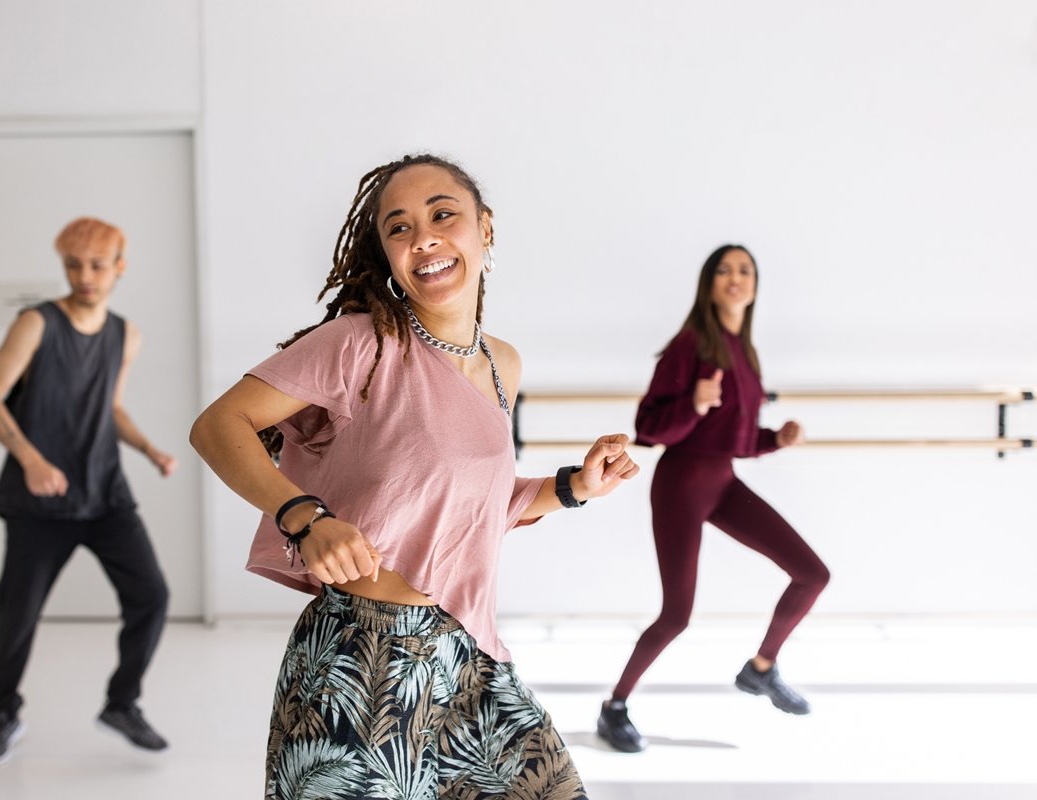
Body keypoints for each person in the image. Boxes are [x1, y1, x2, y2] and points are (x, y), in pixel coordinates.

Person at [191, 154, 639, 797]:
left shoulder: (502, 363)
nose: (422, 236)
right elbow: (218, 425)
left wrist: (575, 488)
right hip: (359, 664)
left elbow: (464, 506)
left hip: (467, 661)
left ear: (485, 229)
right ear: (387, 253)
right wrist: (304, 516)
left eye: (442, 214)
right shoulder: (360, 344)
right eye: (398, 227)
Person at [597, 244, 831, 754]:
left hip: (722, 481)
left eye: (745, 270)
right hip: (681, 484)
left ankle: (761, 669)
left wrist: (777, 439)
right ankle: (614, 706)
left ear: (755, 285)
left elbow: (738, 440)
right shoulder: (690, 344)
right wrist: (694, 404)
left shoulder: (744, 352)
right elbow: (649, 429)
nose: (735, 278)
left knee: (813, 574)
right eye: (724, 269)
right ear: (708, 283)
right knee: (677, 615)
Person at [0, 217, 175, 767]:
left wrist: (149, 449)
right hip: (39, 500)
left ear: (119, 266)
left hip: (106, 493)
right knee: (18, 613)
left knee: (151, 597)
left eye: (97, 265)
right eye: (73, 265)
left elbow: (110, 408)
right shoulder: (36, 324)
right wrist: (32, 460)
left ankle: (122, 704)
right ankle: (3, 713)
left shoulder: (124, 334)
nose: (85, 276)